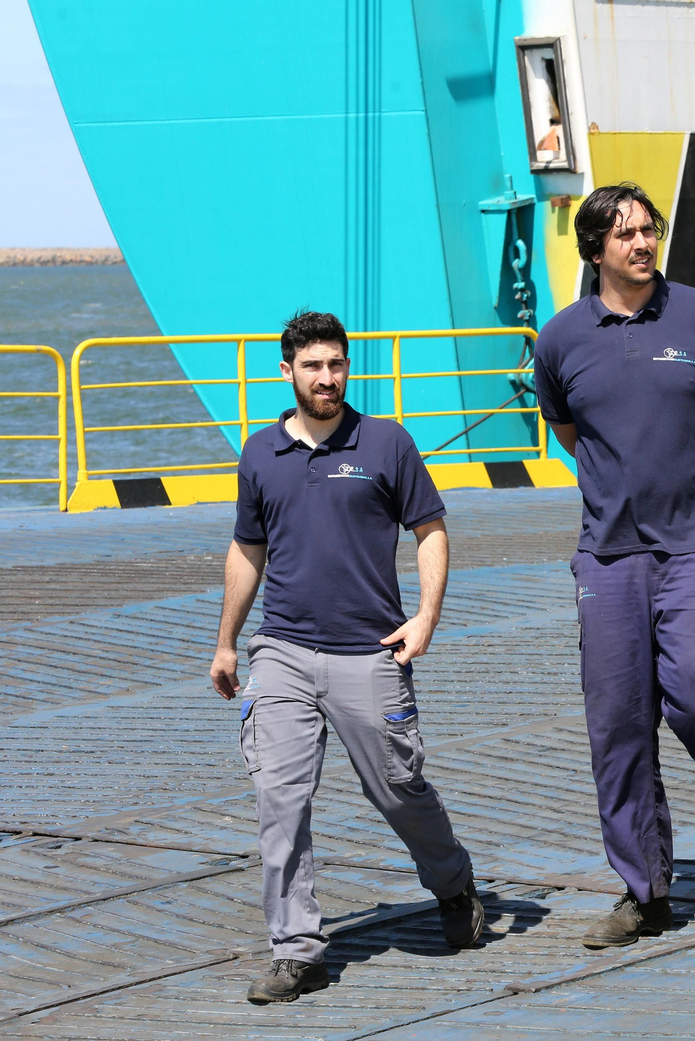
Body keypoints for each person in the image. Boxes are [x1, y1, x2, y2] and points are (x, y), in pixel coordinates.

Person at [533, 183, 695, 949]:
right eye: (626, 234)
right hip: (610, 553)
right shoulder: (560, 340)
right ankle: (644, 890)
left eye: (650, 230)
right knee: (617, 724)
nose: (642, 243)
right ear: (595, 249)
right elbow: (574, 433)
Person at [209, 310, 482, 1005]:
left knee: (398, 789)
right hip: (284, 652)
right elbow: (248, 550)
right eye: (313, 366)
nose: (327, 377)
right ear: (288, 371)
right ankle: (297, 949)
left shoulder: (386, 443)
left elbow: (431, 529)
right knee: (281, 799)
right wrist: (226, 640)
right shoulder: (260, 453)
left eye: (337, 364)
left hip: (371, 652)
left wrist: (425, 617)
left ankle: (452, 882)